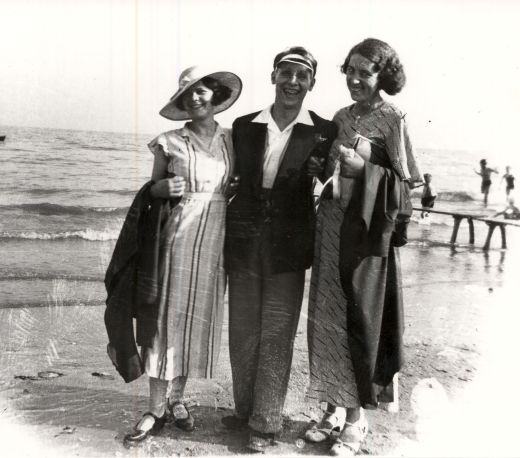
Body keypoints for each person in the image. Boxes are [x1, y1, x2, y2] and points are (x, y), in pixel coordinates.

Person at [106, 65, 242, 446]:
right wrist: (159, 188)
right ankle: (155, 407)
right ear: (183, 101)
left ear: (215, 95)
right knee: (165, 321)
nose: (196, 97)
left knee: (197, 322)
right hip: (176, 240)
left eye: (203, 90)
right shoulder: (169, 141)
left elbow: (239, 185)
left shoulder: (233, 141)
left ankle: (178, 400)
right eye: (189, 93)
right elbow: (152, 192)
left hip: (216, 240)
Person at [305, 38, 422, 457]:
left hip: (368, 238)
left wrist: (366, 168)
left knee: (360, 319)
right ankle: (334, 409)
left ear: (382, 77)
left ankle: (357, 422)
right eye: (350, 70)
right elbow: (333, 175)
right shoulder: (340, 116)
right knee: (328, 319)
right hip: (331, 227)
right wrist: (322, 167)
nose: (355, 79)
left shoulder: (393, 119)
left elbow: (408, 187)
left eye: (365, 72)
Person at [223, 46, 336, 453]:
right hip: (243, 235)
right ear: (272, 77)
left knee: (277, 330)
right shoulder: (242, 125)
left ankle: (266, 422)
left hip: (290, 242)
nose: (292, 82)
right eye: (285, 73)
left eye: (301, 76)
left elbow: (337, 184)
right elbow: (229, 179)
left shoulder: (324, 130)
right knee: (242, 327)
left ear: (311, 84)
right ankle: (243, 410)